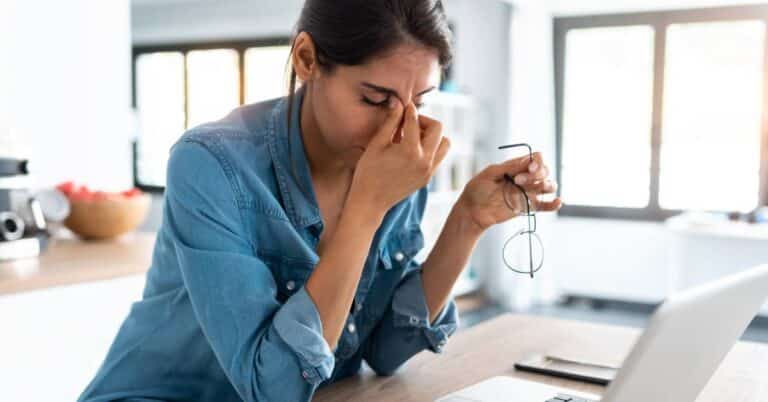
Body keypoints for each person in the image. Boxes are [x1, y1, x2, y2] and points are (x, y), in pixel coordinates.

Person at [79, 0, 561, 401]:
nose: (400, 128)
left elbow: (385, 349)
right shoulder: (211, 163)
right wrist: (366, 210)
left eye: (422, 100)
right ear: (307, 59)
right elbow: (274, 388)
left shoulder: (400, 161)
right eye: (375, 99)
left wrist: (467, 222)